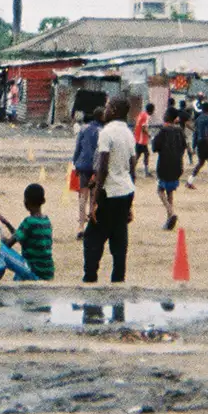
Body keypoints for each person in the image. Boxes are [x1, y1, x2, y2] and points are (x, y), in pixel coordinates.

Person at [84, 96, 137, 283]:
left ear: (113, 110)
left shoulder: (107, 132)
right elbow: (133, 168)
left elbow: (103, 168)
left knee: (92, 239)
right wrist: (131, 205)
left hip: (110, 192)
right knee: (119, 240)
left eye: (106, 107)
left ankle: (90, 279)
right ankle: (118, 282)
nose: (104, 110)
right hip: (126, 192)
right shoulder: (129, 134)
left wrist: (95, 202)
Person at [151, 107, 187, 231]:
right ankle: (169, 220)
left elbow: (155, 147)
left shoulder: (163, 131)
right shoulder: (180, 131)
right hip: (177, 164)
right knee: (170, 191)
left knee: (160, 190)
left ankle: (171, 212)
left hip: (164, 164)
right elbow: (184, 147)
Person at [15, 183, 55, 280]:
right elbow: (20, 235)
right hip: (47, 271)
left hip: (34, 270)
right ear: (43, 201)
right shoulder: (46, 220)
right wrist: (6, 222)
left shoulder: (28, 222)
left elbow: (12, 241)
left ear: (25, 203)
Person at [71, 107, 102, 219]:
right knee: (94, 194)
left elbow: (78, 148)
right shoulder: (103, 131)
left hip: (83, 164)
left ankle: (81, 222)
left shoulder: (83, 129)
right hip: (96, 167)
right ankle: (91, 216)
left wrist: (75, 162)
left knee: (83, 194)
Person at [185, 97, 208, 190]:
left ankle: (189, 181)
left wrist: (194, 145)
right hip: (206, 142)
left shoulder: (198, 119)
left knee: (200, 163)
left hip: (199, 143)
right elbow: (207, 134)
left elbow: (195, 133)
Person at [133, 103, 154, 178]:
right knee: (144, 154)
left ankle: (132, 171)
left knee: (140, 155)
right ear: (151, 110)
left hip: (137, 138)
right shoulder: (146, 116)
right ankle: (145, 172)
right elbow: (144, 128)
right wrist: (150, 135)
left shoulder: (141, 114)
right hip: (141, 140)